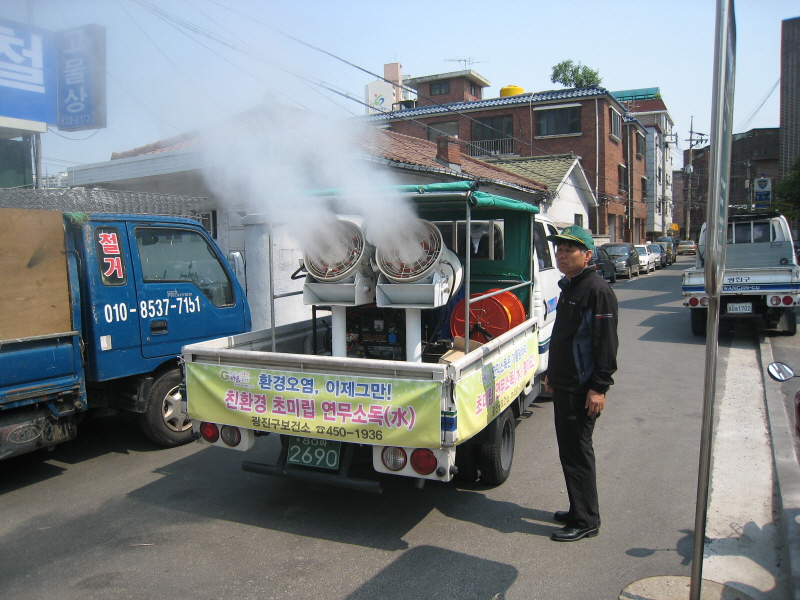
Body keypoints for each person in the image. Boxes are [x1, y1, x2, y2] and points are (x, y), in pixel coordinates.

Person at [544, 225, 619, 542]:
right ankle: (578, 510)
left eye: (569, 250)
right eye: (559, 249)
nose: (561, 254)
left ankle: (587, 519)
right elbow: (565, 338)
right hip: (564, 383)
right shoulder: (571, 286)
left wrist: (599, 387)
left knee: (578, 454)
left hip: (582, 388)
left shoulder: (597, 291)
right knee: (569, 452)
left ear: (587, 255)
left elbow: (606, 345)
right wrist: (551, 374)